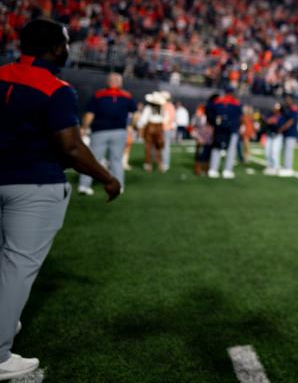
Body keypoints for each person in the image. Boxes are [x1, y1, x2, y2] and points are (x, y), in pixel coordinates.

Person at [0, 19, 121, 379]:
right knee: (17, 266)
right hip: (33, 185)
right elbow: (69, 147)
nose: (68, 50)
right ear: (55, 48)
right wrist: (107, 178)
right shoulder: (57, 88)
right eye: (66, 44)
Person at [77, 72, 136, 196]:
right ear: (120, 83)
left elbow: (89, 115)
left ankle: (84, 185)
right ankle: (118, 187)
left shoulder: (98, 95)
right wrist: (131, 126)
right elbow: (136, 114)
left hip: (100, 132)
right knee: (116, 160)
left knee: (93, 160)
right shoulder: (127, 96)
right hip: (119, 132)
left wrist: (83, 128)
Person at [207, 87, 242, 179]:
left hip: (219, 128)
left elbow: (209, 112)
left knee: (216, 148)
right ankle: (227, 170)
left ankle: (213, 169)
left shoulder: (217, 102)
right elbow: (239, 117)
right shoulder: (236, 103)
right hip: (232, 129)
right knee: (230, 150)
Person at [137, 92, 167, 173]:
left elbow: (143, 119)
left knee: (148, 147)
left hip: (150, 128)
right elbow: (165, 119)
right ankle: (159, 164)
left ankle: (148, 164)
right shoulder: (162, 109)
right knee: (159, 147)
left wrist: (140, 126)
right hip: (159, 128)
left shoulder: (148, 108)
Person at [277, 96, 298, 178]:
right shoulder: (287, 109)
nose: (286, 101)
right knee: (284, 150)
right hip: (286, 133)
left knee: (288, 151)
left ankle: (288, 168)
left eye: (288, 100)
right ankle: (285, 166)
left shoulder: (293, 110)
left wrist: (282, 128)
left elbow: (291, 121)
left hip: (291, 133)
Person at [263, 102, 284, 176]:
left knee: (274, 152)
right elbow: (266, 121)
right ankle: (269, 166)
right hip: (269, 135)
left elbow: (280, 125)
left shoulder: (281, 116)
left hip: (277, 136)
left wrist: (273, 122)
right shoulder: (270, 114)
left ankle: (276, 167)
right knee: (267, 151)